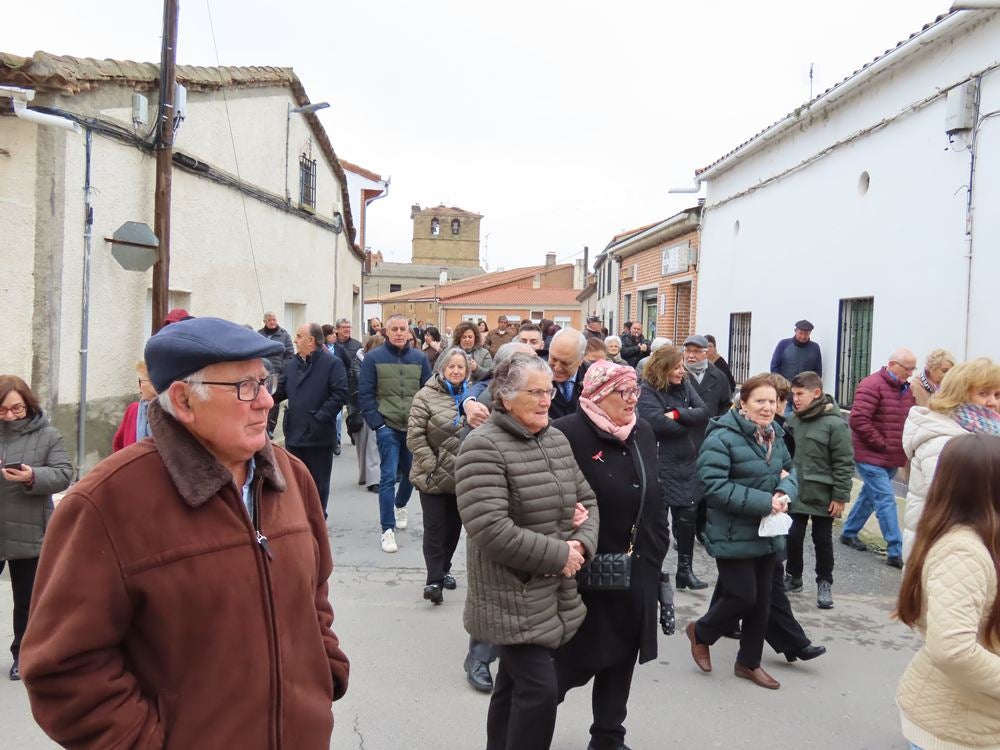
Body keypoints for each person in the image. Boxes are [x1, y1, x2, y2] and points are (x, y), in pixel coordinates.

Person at [19, 317, 349, 747]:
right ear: (184, 401)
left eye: (266, 381)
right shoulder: (106, 504)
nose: (267, 401)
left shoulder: (292, 477)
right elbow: (63, 668)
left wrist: (325, 669)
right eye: (245, 387)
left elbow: (314, 592)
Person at [456, 353, 599, 750]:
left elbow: (589, 500)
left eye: (549, 390)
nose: (546, 399)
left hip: (549, 590)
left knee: (512, 685)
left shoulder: (554, 438)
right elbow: (490, 528)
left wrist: (580, 543)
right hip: (509, 592)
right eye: (534, 392)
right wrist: (560, 554)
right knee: (538, 691)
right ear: (504, 397)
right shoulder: (482, 447)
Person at [552, 359, 669, 750]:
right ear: (600, 394)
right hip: (586, 571)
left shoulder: (642, 431)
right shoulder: (566, 433)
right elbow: (550, 499)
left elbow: (656, 494)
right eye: (624, 391)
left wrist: (657, 550)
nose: (633, 399)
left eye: (636, 390)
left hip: (637, 569)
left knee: (621, 659)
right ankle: (523, 732)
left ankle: (608, 737)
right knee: (568, 665)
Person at [687, 372, 797, 690]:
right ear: (743, 403)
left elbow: (790, 469)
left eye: (772, 402)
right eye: (759, 401)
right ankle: (701, 632)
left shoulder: (774, 432)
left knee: (762, 602)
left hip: (767, 530)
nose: (766, 407)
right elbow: (714, 486)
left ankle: (749, 662)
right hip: (732, 530)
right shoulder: (721, 437)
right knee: (742, 596)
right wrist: (765, 501)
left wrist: (784, 492)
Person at [895, 433, 1000, 750]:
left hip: (974, 717)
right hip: (955, 726)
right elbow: (951, 649)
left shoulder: (979, 538)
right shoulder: (963, 553)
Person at [0, 376, 72, 681]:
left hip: (32, 529)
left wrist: (31, 476)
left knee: (28, 600)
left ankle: (23, 656)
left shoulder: (48, 434)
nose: (10, 415)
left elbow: (63, 474)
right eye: (2, 410)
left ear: (28, 404)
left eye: (16, 408)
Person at [902, 357, 1000, 561]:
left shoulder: (984, 433)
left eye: (997, 394)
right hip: (945, 553)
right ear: (959, 395)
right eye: (983, 393)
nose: (992, 402)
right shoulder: (943, 440)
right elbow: (963, 502)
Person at [637, 345, 711, 591]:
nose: (682, 371)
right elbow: (655, 422)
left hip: (686, 461)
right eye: (677, 367)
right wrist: (688, 423)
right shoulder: (648, 390)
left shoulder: (685, 386)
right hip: (660, 462)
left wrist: (678, 414)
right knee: (658, 523)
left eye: (682, 366)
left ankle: (685, 570)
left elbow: (703, 411)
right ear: (663, 368)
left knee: (688, 516)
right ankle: (653, 572)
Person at [359, 313, 432, 553]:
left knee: (411, 475)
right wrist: (377, 424)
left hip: (413, 427)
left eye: (403, 328)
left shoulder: (420, 359)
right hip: (387, 425)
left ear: (409, 332)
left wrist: (424, 422)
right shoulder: (373, 358)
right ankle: (387, 530)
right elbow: (366, 394)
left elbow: (427, 392)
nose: (399, 333)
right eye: (395, 329)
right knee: (388, 476)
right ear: (386, 333)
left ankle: (400, 504)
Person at [840, 348, 917, 569]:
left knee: (869, 496)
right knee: (885, 499)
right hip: (870, 455)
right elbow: (859, 420)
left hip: (892, 456)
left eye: (913, 368)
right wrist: (881, 443)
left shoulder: (906, 389)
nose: (910, 373)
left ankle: (849, 532)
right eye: (907, 368)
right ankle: (896, 550)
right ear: (892, 364)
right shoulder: (872, 384)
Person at [784, 371, 855, 609]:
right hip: (797, 489)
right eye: (793, 394)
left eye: (800, 394)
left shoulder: (834, 424)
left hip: (824, 493)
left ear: (816, 393)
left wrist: (840, 496)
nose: (795, 399)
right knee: (793, 535)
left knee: (822, 539)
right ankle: (793, 576)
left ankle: (825, 582)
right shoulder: (794, 420)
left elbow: (844, 462)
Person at [407, 347, 470, 605]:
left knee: (454, 529)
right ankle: (434, 581)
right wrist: (432, 464)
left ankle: (444, 569)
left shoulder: (472, 398)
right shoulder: (425, 396)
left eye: (461, 367)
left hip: (463, 475)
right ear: (441, 369)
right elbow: (414, 436)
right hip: (431, 475)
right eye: (451, 366)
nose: (456, 371)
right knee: (434, 528)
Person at [283, 323, 348, 518]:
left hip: (318, 436)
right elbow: (279, 390)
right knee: (294, 485)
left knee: (318, 486)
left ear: (311, 340)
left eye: (299, 336)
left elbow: (340, 394)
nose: (295, 340)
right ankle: (299, 524)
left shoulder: (332, 363)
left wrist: (319, 417)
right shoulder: (292, 364)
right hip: (294, 435)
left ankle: (318, 522)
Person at [355, 334, 384, 493]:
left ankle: (373, 478)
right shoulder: (361, 361)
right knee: (365, 443)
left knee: (373, 443)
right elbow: (358, 382)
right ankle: (368, 477)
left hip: (378, 404)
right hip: (366, 405)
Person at [258, 311, 295, 436]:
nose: (272, 322)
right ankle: (263, 426)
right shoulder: (259, 334)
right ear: (264, 322)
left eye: (274, 319)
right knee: (262, 401)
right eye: (269, 320)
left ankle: (270, 428)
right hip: (262, 375)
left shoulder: (284, 335)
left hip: (277, 376)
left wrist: (282, 368)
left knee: (273, 402)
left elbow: (290, 355)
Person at [331, 318, 363, 451]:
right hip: (336, 385)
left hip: (352, 386)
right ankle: (336, 440)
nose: (347, 330)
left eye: (349, 327)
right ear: (337, 329)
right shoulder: (332, 345)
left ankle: (352, 433)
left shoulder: (357, 345)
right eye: (344, 327)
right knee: (336, 415)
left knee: (353, 414)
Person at [112, 361, 158, 451]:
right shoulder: (133, 410)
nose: (138, 386)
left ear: (155, 383)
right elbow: (118, 446)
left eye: (141, 381)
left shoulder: (171, 413)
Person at [548, 328, 588, 419]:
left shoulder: (593, 379)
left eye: (565, 363)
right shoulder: (535, 377)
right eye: (553, 359)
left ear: (581, 360)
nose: (557, 368)